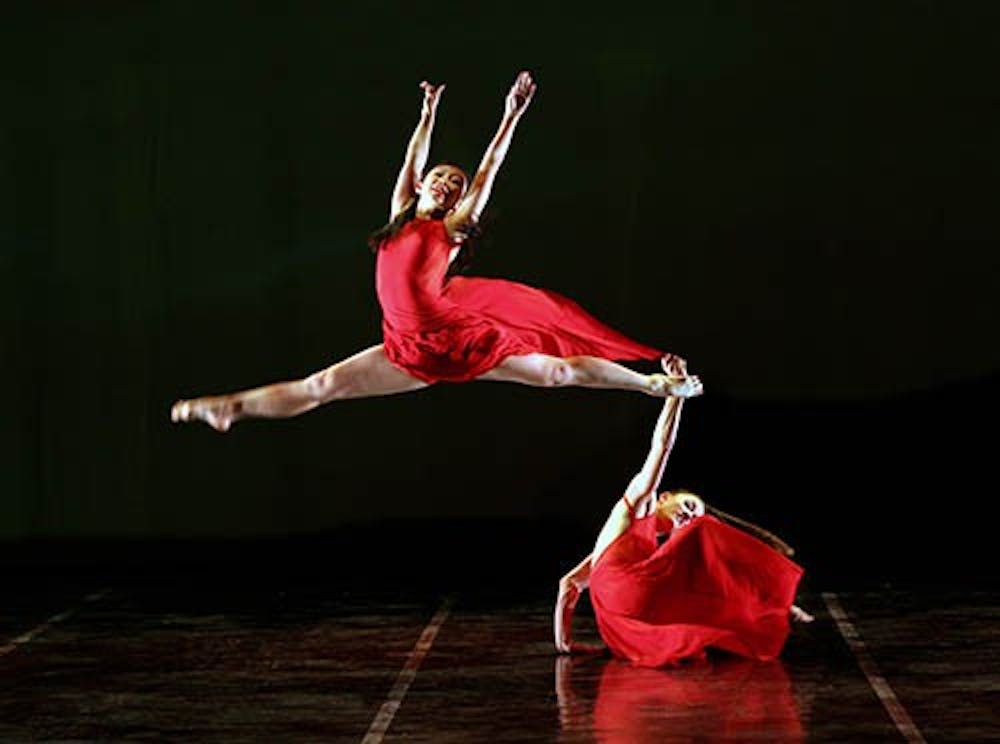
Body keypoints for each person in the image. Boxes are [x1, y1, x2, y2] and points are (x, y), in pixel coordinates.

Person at [171, 71, 691, 432]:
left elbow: (487, 173)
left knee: (558, 372)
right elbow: (411, 157)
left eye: (454, 184)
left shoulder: (453, 228)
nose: (446, 184)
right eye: (439, 177)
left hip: (462, 339)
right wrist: (428, 110)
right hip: (409, 349)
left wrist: (509, 117)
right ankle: (231, 408)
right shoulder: (400, 213)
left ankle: (652, 384)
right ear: (421, 184)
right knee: (322, 385)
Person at [554, 359, 813, 667]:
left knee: (698, 590)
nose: (686, 517)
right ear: (666, 496)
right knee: (704, 531)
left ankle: (774, 609)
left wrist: (564, 642)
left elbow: (568, 584)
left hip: (624, 609)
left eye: (691, 515)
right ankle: (777, 599)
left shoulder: (632, 553)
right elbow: (661, 446)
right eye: (688, 505)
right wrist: (676, 394)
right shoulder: (639, 502)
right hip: (622, 597)